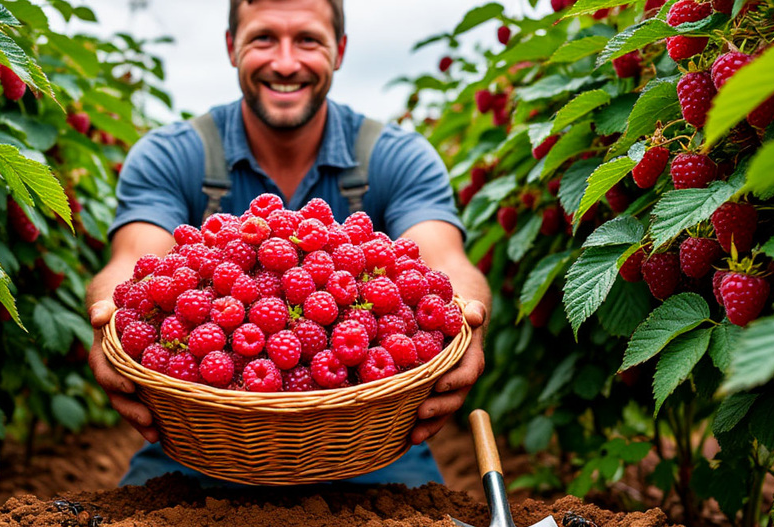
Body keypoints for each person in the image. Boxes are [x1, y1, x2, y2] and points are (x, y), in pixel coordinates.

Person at [85, 0, 491, 488]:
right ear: (231, 46)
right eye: (262, 38)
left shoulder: (397, 156)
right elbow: (132, 266)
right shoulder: (171, 154)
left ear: (339, 51)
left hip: (372, 444)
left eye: (308, 40)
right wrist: (109, 318)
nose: (284, 61)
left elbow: (443, 264)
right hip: (199, 445)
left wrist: (467, 319)